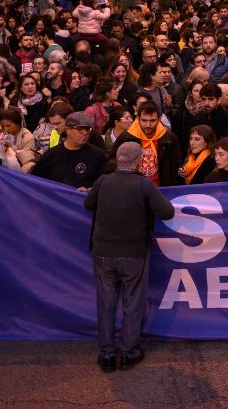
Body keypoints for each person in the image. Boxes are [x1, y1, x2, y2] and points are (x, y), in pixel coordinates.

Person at [84, 142, 174, 373]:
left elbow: (88, 204)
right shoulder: (143, 185)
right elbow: (168, 212)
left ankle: (106, 354)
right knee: (133, 304)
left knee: (106, 304)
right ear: (138, 162)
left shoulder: (103, 181)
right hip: (133, 253)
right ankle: (129, 353)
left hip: (103, 252)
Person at [31, 111, 107, 189]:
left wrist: (90, 190)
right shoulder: (50, 155)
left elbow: (104, 184)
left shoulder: (97, 155)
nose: (85, 133)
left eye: (87, 129)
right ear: (67, 130)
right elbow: (36, 182)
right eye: (80, 129)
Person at [112, 103, 182, 187]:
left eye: (152, 120)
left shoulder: (170, 138)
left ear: (159, 119)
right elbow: (113, 162)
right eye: (144, 120)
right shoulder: (126, 138)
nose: (148, 125)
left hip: (161, 188)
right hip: (133, 187)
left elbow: (175, 166)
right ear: (138, 118)